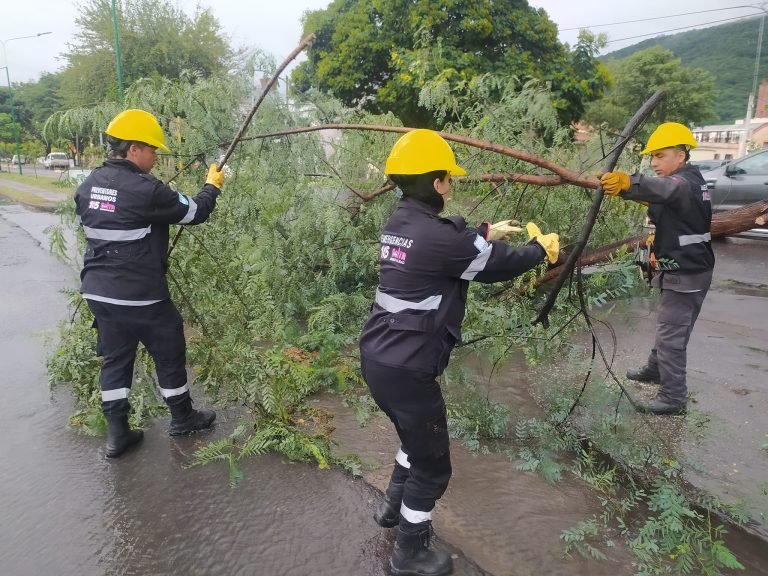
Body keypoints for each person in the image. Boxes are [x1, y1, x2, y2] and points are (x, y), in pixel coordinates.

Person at [359, 129, 559, 576]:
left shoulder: (397, 224)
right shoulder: (443, 239)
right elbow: (496, 263)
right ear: (436, 183)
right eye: (449, 178)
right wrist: (538, 250)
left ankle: (391, 509)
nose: (452, 185)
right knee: (433, 466)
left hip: (378, 358)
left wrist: (484, 231)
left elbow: (442, 247)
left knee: (413, 438)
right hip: (409, 369)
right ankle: (409, 553)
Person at [74, 109, 225, 458]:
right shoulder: (147, 190)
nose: (156, 156)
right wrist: (212, 186)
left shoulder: (89, 185)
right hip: (140, 294)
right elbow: (195, 212)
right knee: (169, 351)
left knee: (116, 360)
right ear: (134, 149)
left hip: (99, 292)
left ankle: (117, 435)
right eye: (152, 149)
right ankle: (183, 419)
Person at [600, 122, 714, 416]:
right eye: (652, 156)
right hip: (689, 267)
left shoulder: (682, 184)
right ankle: (656, 369)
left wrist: (629, 182)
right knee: (671, 326)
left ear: (681, 155)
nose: (654, 162)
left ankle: (673, 397)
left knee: (671, 335)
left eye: (660, 155)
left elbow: (663, 188)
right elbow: (660, 195)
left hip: (686, 271)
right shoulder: (693, 181)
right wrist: (628, 191)